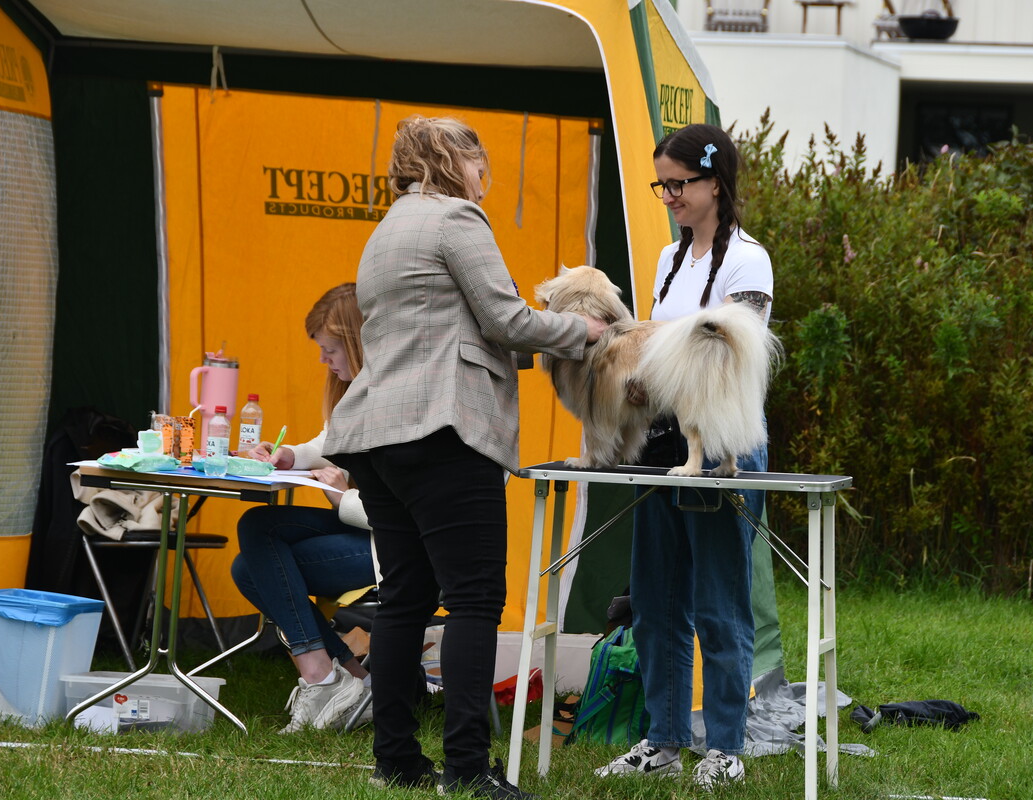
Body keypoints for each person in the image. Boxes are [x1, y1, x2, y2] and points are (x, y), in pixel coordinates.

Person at [323, 116, 607, 799]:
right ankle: (468, 769)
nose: (485, 179)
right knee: (475, 599)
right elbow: (506, 320)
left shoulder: (386, 229)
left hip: (376, 435)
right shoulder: (457, 219)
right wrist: (584, 330)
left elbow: (448, 330)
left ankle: (395, 759)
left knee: (406, 599)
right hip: (443, 430)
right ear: (456, 159)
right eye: (482, 165)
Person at [594, 123, 774, 789]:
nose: (669, 196)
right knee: (656, 600)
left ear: (715, 183)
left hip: (723, 445)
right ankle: (663, 739)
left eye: (679, 184)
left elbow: (734, 358)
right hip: (663, 445)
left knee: (720, 603)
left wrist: (661, 356)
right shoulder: (671, 259)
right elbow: (659, 354)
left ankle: (725, 746)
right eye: (661, 185)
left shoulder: (748, 260)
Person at [230, 283, 379, 734]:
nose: (323, 360)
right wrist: (288, 456)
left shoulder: (392, 399)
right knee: (256, 530)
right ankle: (348, 678)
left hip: (391, 547)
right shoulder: (355, 391)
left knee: (252, 568)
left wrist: (342, 497)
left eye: (330, 350)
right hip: (363, 526)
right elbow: (329, 442)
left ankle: (324, 677)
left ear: (358, 342)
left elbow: (403, 514)